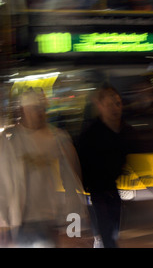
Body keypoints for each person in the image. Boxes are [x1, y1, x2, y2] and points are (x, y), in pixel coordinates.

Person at [0, 88, 86, 248]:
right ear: (22, 110)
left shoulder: (58, 138)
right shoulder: (9, 140)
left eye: (42, 108)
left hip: (50, 220)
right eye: (35, 108)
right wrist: (3, 224)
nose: (40, 113)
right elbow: (3, 184)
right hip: (20, 223)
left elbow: (71, 182)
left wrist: (74, 229)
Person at [76, 85, 133, 248]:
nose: (116, 108)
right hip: (98, 192)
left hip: (113, 191)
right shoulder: (91, 134)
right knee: (108, 237)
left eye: (118, 103)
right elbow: (82, 165)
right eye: (110, 104)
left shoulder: (124, 130)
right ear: (100, 106)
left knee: (113, 233)